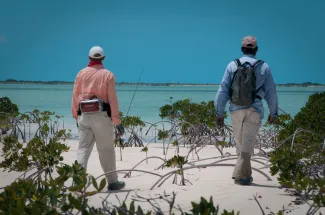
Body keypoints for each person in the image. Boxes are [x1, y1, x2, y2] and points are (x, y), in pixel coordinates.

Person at [214, 36, 278, 185]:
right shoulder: (264, 67)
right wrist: (273, 112)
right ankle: (242, 176)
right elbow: (271, 92)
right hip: (255, 109)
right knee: (247, 144)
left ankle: (242, 174)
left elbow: (223, 90)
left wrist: (219, 112)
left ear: (242, 49)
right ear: (256, 50)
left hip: (236, 109)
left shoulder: (232, 65)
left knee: (240, 143)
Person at [71, 46, 126, 190]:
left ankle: (77, 182)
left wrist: (76, 116)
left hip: (84, 115)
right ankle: (113, 182)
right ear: (103, 58)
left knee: (83, 149)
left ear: (89, 58)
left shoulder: (80, 73)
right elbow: (112, 100)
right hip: (102, 116)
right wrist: (117, 122)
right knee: (106, 149)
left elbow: (75, 96)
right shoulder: (108, 75)